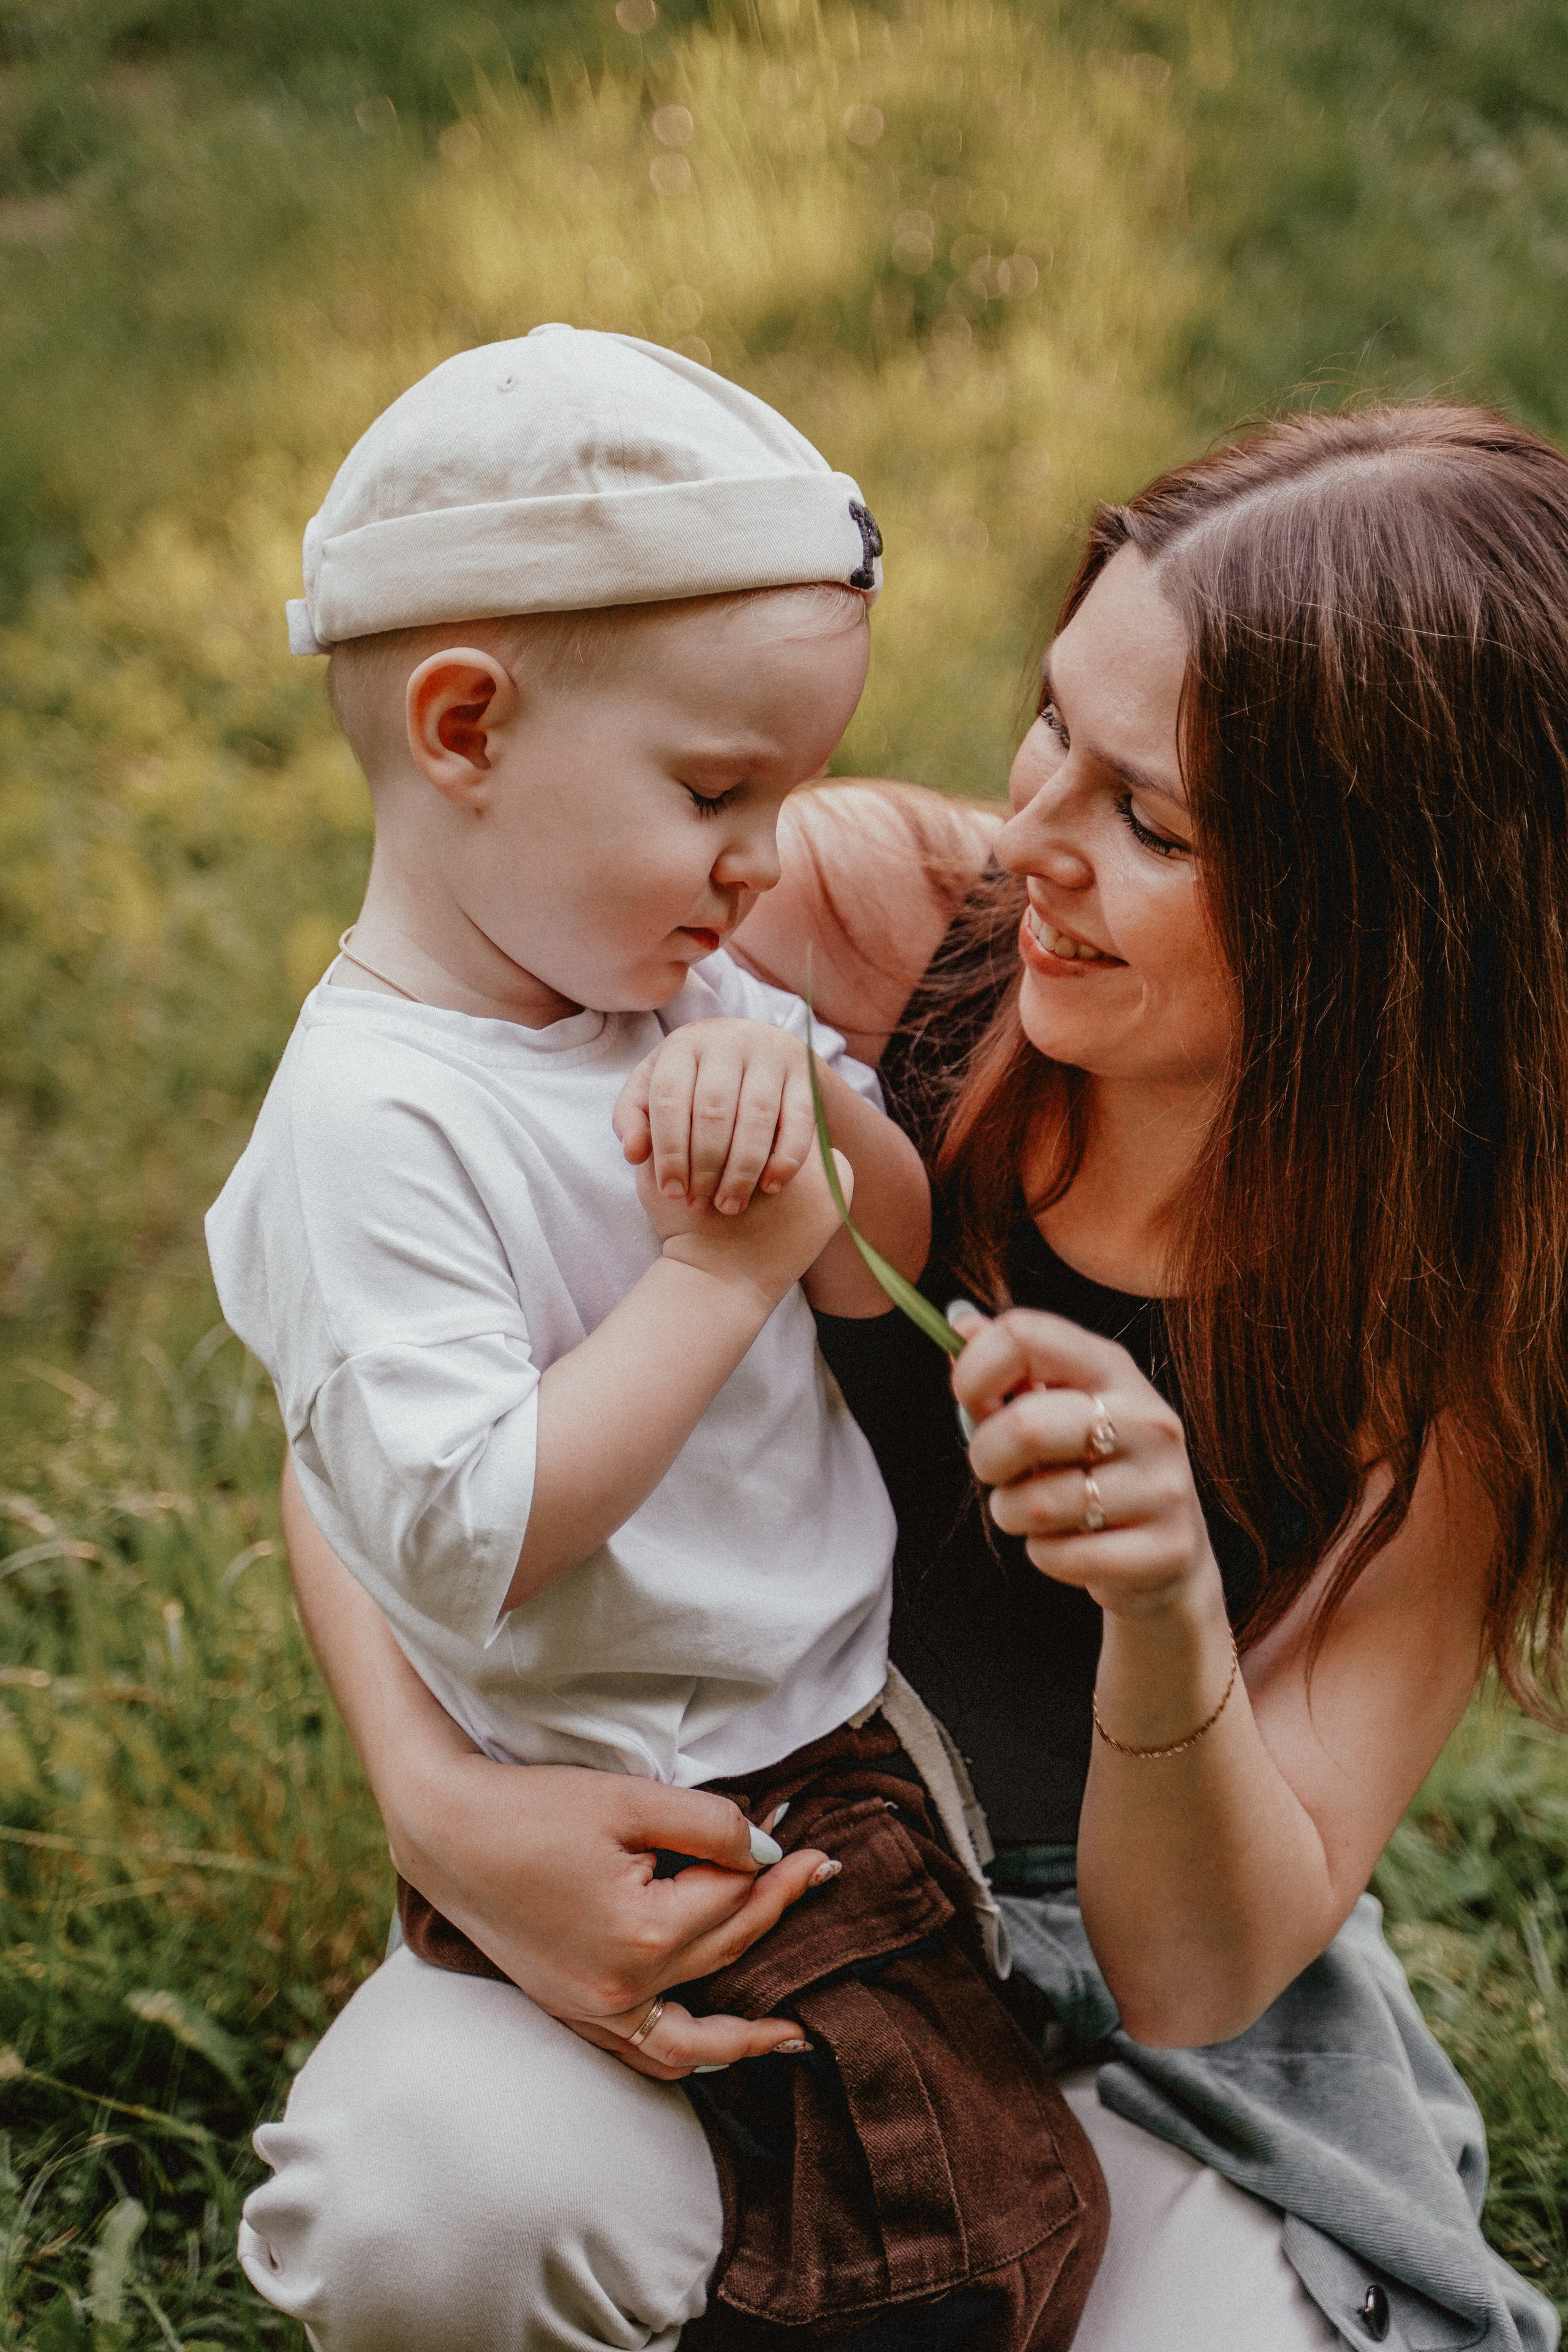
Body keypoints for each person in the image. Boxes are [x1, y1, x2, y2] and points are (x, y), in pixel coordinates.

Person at [243, 401, 1566, 2352]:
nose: (1031, 833)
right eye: (1056, 725)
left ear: (1391, 930)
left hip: (1127, 2028)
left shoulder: (1459, 1333)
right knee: (430, 2209)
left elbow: (1198, 1975)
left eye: (1153, 820)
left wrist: (1165, 1604)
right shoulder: (839, 928)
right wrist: (445, 1809)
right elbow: (372, 1396)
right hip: (742, 1873)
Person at [213, 323, 1107, 2351]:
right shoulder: (374, 1129)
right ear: (462, 729)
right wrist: (711, 1279)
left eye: (789, 790)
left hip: (832, 1762)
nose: (768, 857)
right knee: (937, 2259)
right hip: (638, 1804)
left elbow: (889, 1249)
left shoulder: (662, 994)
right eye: (718, 788)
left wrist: (814, 1142)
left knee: (987, 2231)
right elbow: (461, 1530)